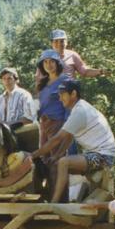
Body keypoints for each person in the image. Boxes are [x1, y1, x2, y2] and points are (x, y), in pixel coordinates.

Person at [30, 79, 115, 202]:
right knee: (57, 162)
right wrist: (57, 155)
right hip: (96, 154)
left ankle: (55, 202)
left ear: (73, 94)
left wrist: (34, 155)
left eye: (62, 94)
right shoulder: (77, 109)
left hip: (103, 157)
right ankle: (57, 199)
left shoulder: (80, 112)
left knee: (64, 163)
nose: (60, 99)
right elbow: (69, 137)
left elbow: (57, 139)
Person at [34, 50, 71, 181]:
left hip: (58, 123)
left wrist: (66, 126)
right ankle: (49, 191)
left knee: (57, 160)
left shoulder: (65, 80)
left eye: (51, 62)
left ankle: (60, 193)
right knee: (44, 160)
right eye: (45, 62)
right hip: (44, 124)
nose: (48, 65)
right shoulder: (43, 82)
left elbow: (69, 105)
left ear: (57, 63)